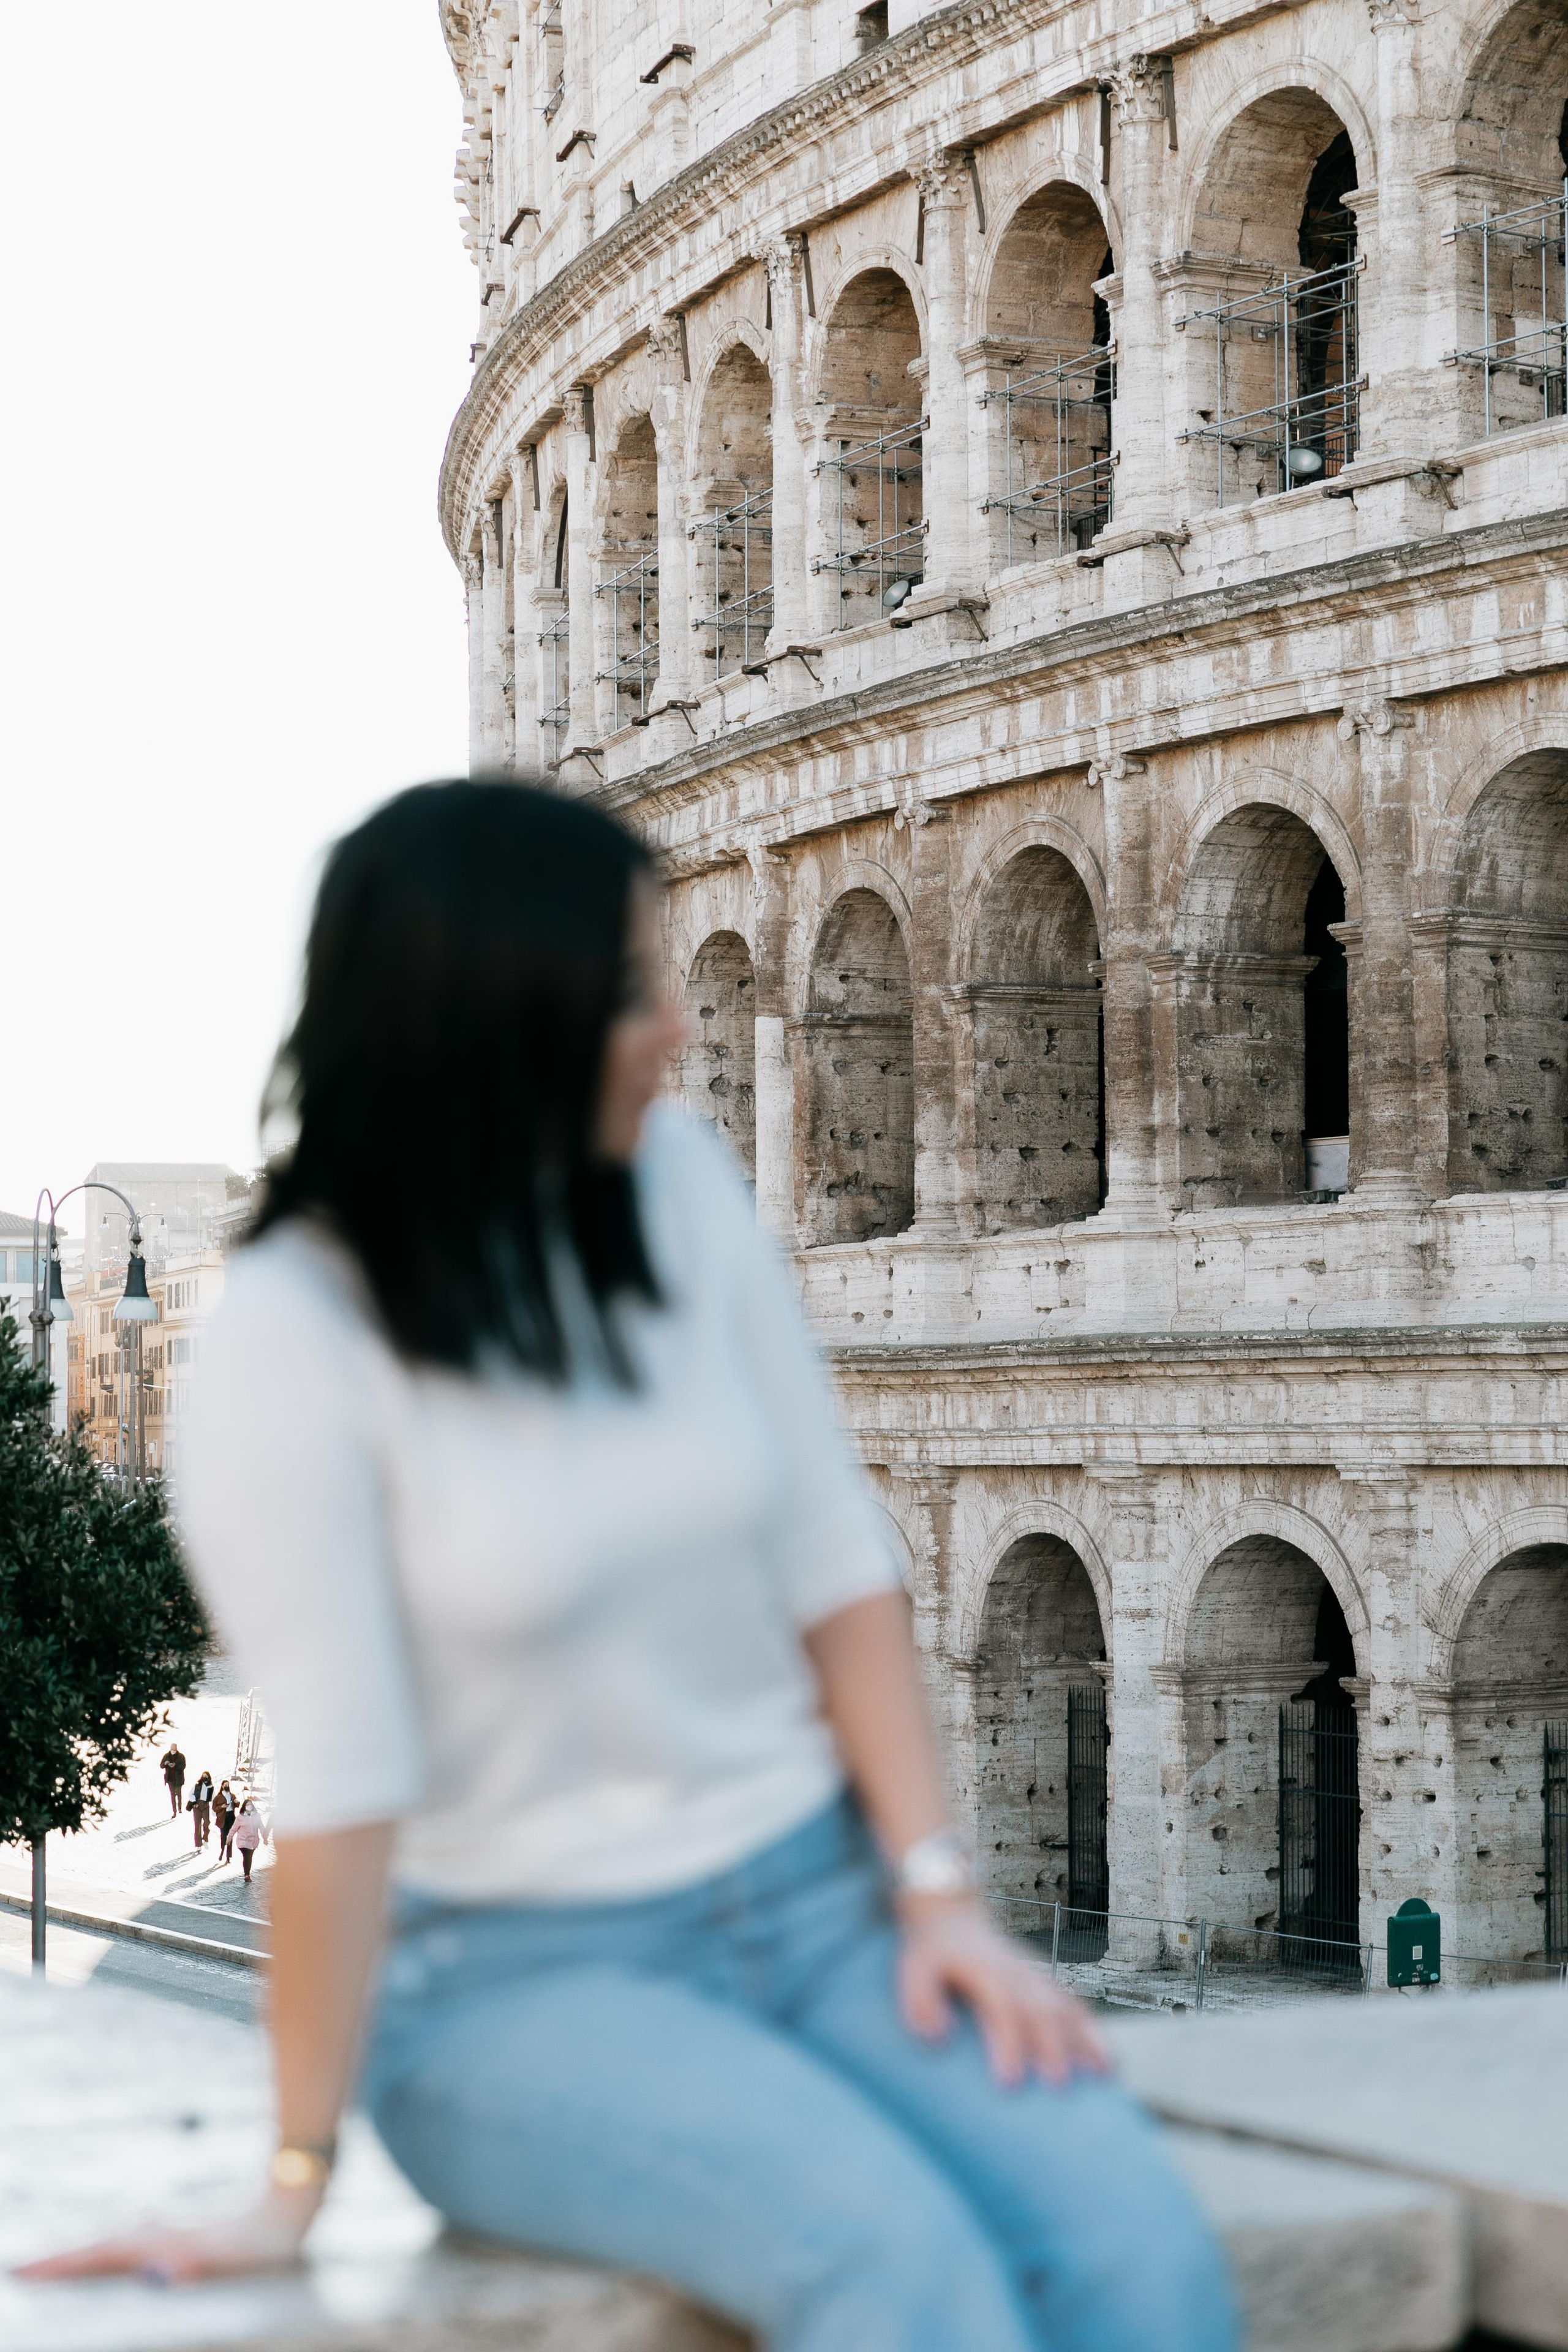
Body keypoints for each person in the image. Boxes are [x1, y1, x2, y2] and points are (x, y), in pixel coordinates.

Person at [17, 780, 1236, 2350]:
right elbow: (340, 1790)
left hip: (818, 1915)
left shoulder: (677, 1188)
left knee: (1141, 2250)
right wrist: (292, 2182)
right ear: (486, 1017)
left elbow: (831, 1565)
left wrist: (936, 1894)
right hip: (512, 1987)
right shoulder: (292, 1339)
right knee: (893, 2266)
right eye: (627, 989)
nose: (676, 1026)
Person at [233, 1795, 268, 1885]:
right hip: (243, 1841)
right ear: (244, 1807)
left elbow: (261, 1827)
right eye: (248, 1805)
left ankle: (247, 1873)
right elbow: (234, 1829)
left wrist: (265, 1837)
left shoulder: (257, 1816)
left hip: (253, 1841)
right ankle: (247, 1875)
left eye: (251, 1805)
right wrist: (229, 1838)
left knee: (249, 1857)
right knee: (247, 1856)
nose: (249, 1806)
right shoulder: (240, 1818)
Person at [190, 1768, 215, 1850]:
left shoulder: (211, 1787)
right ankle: (198, 1844)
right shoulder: (197, 1785)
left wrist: (214, 1809)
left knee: (207, 1822)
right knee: (197, 1825)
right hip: (197, 1805)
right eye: (203, 1776)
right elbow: (191, 1794)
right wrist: (194, 1802)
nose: (205, 1778)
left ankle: (205, 1838)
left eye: (206, 1776)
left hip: (206, 1806)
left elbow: (214, 1798)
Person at [159, 1743, 186, 1819]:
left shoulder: (181, 1756)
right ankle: (174, 1811)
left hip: (179, 1779)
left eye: (175, 1750)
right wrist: (165, 1763)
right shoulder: (166, 1756)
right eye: (172, 1749)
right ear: (170, 1748)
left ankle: (180, 1808)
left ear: (176, 1749)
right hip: (170, 1779)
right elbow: (161, 1766)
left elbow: (183, 1766)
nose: (173, 1751)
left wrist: (175, 1765)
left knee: (179, 1793)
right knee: (172, 1795)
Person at [214, 1779, 237, 1863]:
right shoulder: (218, 1797)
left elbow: (237, 1805)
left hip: (231, 1817)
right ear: (222, 1786)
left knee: (230, 1837)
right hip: (223, 1818)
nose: (227, 1786)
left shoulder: (232, 1796)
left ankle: (228, 1857)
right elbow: (214, 1808)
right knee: (224, 1837)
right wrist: (222, 1807)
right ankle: (222, 1852)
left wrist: (236, 1802)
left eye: (228, 1785)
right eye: (225, 1785)